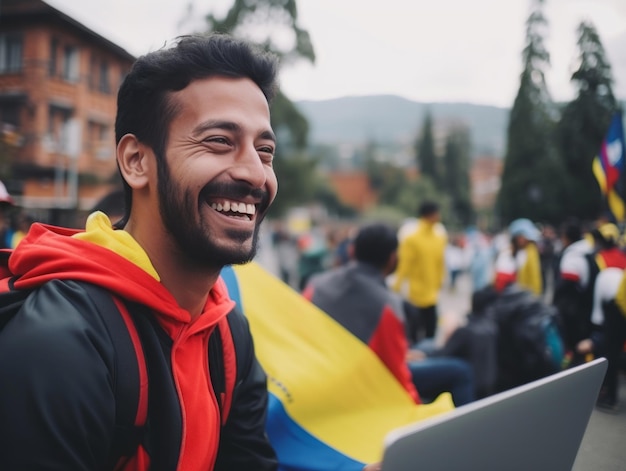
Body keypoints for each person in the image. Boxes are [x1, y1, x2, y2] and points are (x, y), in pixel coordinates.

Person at [0, 34, 281, 470]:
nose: (254, 173)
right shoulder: (61, 344)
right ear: (136, 162)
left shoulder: (227, 337)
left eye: (265, 151)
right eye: (219, 141)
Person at [303, 222, 475, 407]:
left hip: (320, 371)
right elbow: (398, 374)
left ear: (352, 251)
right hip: (364, 381)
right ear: (393, 259)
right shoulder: (387, 305)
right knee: (460, 371)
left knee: (427, 347)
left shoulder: (316, 285)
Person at [392, 201, 448, 342]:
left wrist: (440, 281)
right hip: (414, 296)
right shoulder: (412, 239)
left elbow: (440, 263)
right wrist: (396, 286)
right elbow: (404, 265)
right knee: (414, 335)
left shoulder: (439, 238)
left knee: (431, 332)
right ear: (430, 215)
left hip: (431, 295)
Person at [493, 218, 543, 296]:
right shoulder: (507, 252)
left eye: (523, 236)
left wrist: (536, 295)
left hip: (526, 295)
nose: (521, 240)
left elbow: (535, 276)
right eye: (519, 237)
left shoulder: (531, 251)